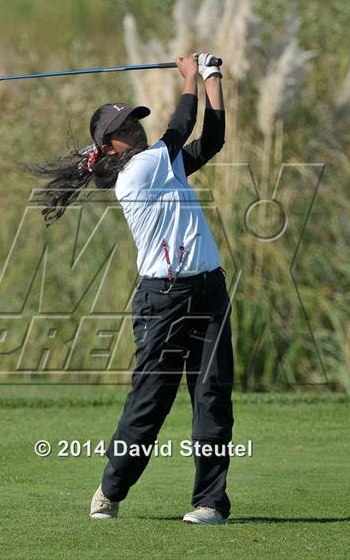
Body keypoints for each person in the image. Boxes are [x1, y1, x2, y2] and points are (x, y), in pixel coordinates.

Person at [27, 53, 234, 525]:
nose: (137, 130)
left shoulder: (165, 166)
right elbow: (182, 126)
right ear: (109, 146)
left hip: (208, 292)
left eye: (137, 122)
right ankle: (111, 489)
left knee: (213, 397)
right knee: (150, 402)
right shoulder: (138, 172)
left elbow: (213, 138)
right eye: (127, 128)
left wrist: (212, 77)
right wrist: (188, 80)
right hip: (163, 300)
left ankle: (210, 503)